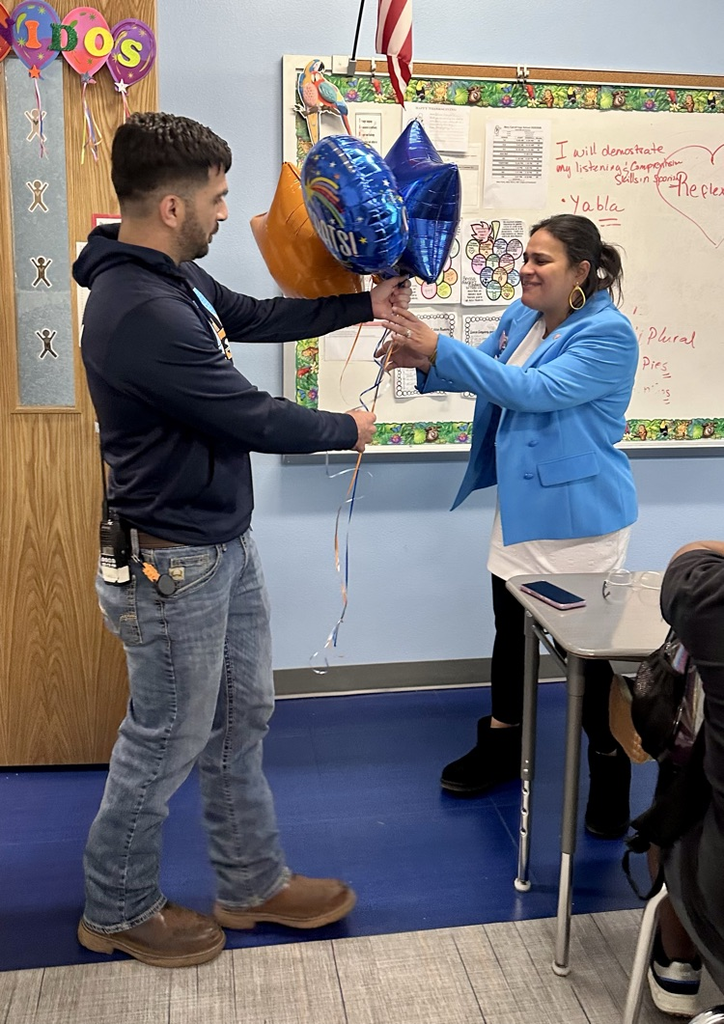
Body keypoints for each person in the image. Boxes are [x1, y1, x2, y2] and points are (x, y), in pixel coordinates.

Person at [73, 111, 410, 968]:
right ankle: (114, 908)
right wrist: (350, 425)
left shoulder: (175, 278)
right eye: (219, 199)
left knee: (238, 719)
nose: (230, 213)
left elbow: (254, 315)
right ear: (175, 207)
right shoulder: (137, 306)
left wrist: (358, 305)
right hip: (169, 562)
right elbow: (248, 414)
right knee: (166, 738)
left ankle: (252, 883)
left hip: (219, 542)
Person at [378, 214, 638, 838]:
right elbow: (491, 376)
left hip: (578, 522)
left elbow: (529, 389)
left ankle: (610, 768)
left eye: (542, 260)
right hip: (523, 511)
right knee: (508, 629)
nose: (526, 268)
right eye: (525, 256)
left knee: (588, 659)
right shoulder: (522, 317)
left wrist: (440, 346)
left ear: (581, 272)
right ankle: (501, 746)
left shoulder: (608, 334)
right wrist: (425, 358)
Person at [643, 540, 724, 1015]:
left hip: (717, 868)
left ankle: (678, 961)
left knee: (678, 781)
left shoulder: (710, 594)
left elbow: (688, 560)